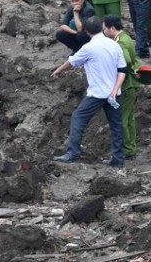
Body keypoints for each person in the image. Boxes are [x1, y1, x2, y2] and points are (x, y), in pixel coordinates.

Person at [50, 15, 126, 168]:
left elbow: (71, 62)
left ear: (86, 31)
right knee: (116, 125)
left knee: (78, 118)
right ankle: (118, 158)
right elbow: (122, 69)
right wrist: (115, 90)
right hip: (113, 94)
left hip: (97, 94)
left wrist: (58, 71)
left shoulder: (89, 48)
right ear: (102, 27)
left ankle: (73, 153)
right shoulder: (114, 45)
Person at [103, 15, 141, 161]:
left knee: (122, 119)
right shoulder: (126, 38)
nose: (104, 32)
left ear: (112, 28)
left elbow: (127, 60)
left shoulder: (120, 43)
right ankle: (131, 149)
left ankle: (125, 150)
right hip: (131, 85)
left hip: (125, 85)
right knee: (129, 118)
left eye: (105, 29)